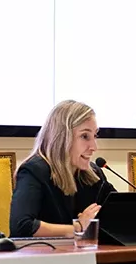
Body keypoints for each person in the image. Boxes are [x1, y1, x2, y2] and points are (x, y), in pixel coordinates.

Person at [9, 100, 117, 238]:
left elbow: (119, 213)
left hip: (84, 256)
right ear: (62, 137)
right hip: (41, 256)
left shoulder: (94, 174)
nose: (94, 147)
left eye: (95, 135)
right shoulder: (34, 170)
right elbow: (22, 227)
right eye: (85, 136)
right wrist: (79, 227)